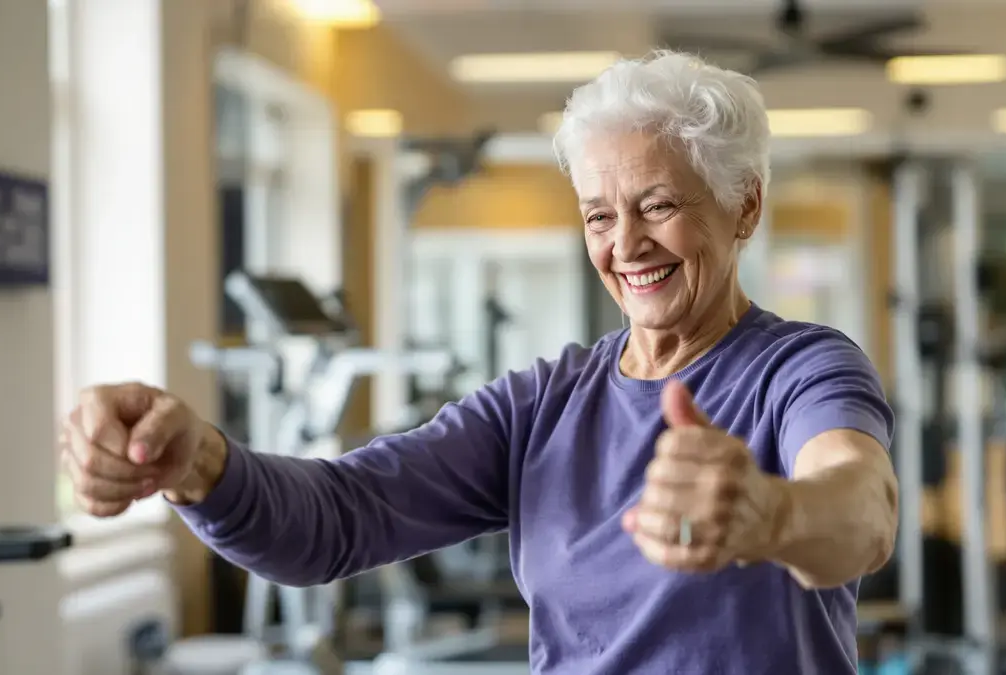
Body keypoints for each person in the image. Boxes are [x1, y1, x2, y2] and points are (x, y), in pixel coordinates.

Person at [60, 50, 898, 674]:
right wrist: (198, 461)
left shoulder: (801, 369)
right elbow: (335, 517)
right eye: (598, 215)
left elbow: (862, 508)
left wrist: (771, 516)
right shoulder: (542, 404)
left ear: (743, 204)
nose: (625, 243)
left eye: (658, 205)